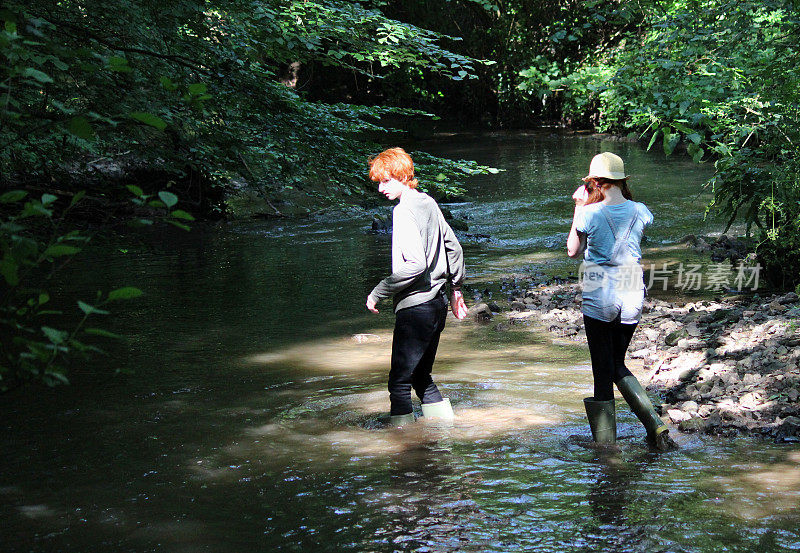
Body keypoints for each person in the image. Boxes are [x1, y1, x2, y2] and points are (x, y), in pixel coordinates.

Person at [567, 152, 676, 450]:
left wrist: (578, 207)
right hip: (632, 290)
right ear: (620, 180)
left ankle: (606, 450)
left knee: (602, 371)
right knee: (616, 363)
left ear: (596, 182)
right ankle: (655, 426)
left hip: (599, 289)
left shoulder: (589, 213)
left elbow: (572, 250)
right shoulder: (641, 210)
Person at [366, 147, 469, 426]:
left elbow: (415, 265)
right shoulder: (428, 202)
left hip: (416, 306)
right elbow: (455, 249)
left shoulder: (403, 211)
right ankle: (445, 435)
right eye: (378, 181)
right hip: (437, 305)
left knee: (399, 382)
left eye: (386, 180)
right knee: (421, 377)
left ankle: (404, 451)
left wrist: (379, 291)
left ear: (401, 176)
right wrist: (456, 290)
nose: (380, 188)